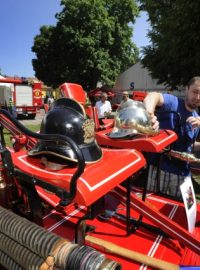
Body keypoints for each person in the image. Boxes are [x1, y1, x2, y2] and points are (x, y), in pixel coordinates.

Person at [143, 76, 200, 199]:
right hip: (159, 171)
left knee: (182, 214)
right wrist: (149, 114)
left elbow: (189, 146)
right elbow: (153, 96)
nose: (198, 97)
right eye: (195, 92)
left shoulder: (198, 118)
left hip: (184, 175)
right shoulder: (173, 103)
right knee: (152, 209)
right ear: (186, 89)